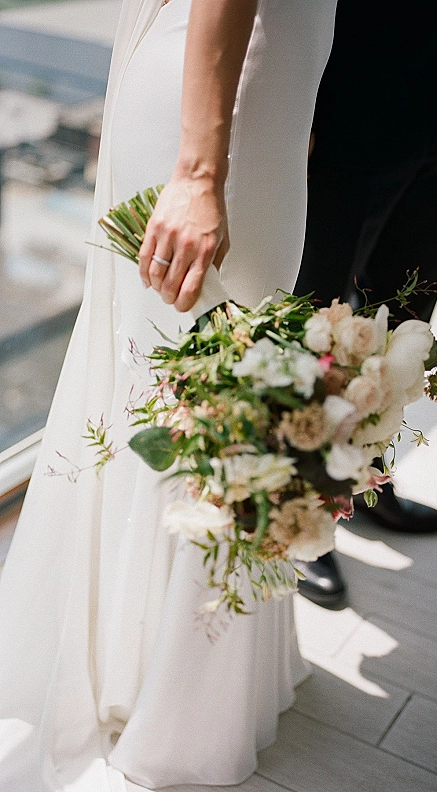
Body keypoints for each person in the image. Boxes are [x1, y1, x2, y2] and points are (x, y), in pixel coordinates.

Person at [0, 0, 337, 788]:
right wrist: (198, 173)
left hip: (258, 95)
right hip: (223, 104)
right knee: (198, 388)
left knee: (230, 382)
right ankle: (149, 682)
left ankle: (152, 660)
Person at [294, 0, 437, 607]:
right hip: (359, 83)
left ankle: (366, 479)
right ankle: (305, 510)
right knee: (318, 314)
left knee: (407, 311)